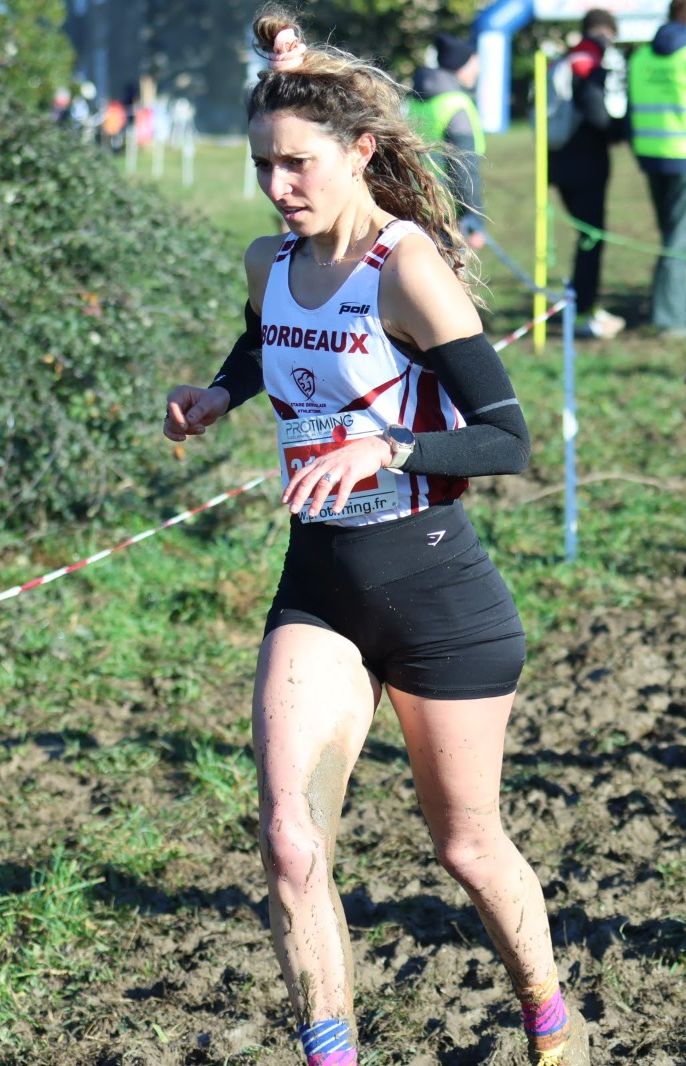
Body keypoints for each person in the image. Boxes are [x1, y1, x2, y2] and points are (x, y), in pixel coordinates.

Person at [164, 8, 590, 1065]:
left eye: (297, 164)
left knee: (466, 846)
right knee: (289, 839)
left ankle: (547, 1014)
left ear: (359, 152)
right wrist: (216, 395)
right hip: (318, 588)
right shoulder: (271, 259)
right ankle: (330, 1051)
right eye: (263, 165)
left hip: (438, 598)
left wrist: (388, 448)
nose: (277, 188)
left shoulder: (407, 269)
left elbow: (506, 438)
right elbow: (268, 340)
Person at [548, 8, 627, 339]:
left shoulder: (569, 55)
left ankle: (582, 304)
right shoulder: (588, 56)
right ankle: (583, 310)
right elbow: (592, 102)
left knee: (588, 235)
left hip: (560, 159)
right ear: (607, 31)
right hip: (583, 162)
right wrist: (617, 131)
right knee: (591, 237)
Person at [628, 0, 686, 339]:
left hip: (652, 156)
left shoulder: (641, 57)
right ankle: (671, 319)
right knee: (679, 240)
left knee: (672, 235)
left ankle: (671, 304)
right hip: (682, 156)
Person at [408, 33, 487, 249]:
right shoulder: (456, 104)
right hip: (447, 213)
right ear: (460, 66)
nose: (477, 71)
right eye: (474, 64)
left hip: (412, 204)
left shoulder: (413, 99)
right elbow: (464, 171)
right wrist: (474, 220)